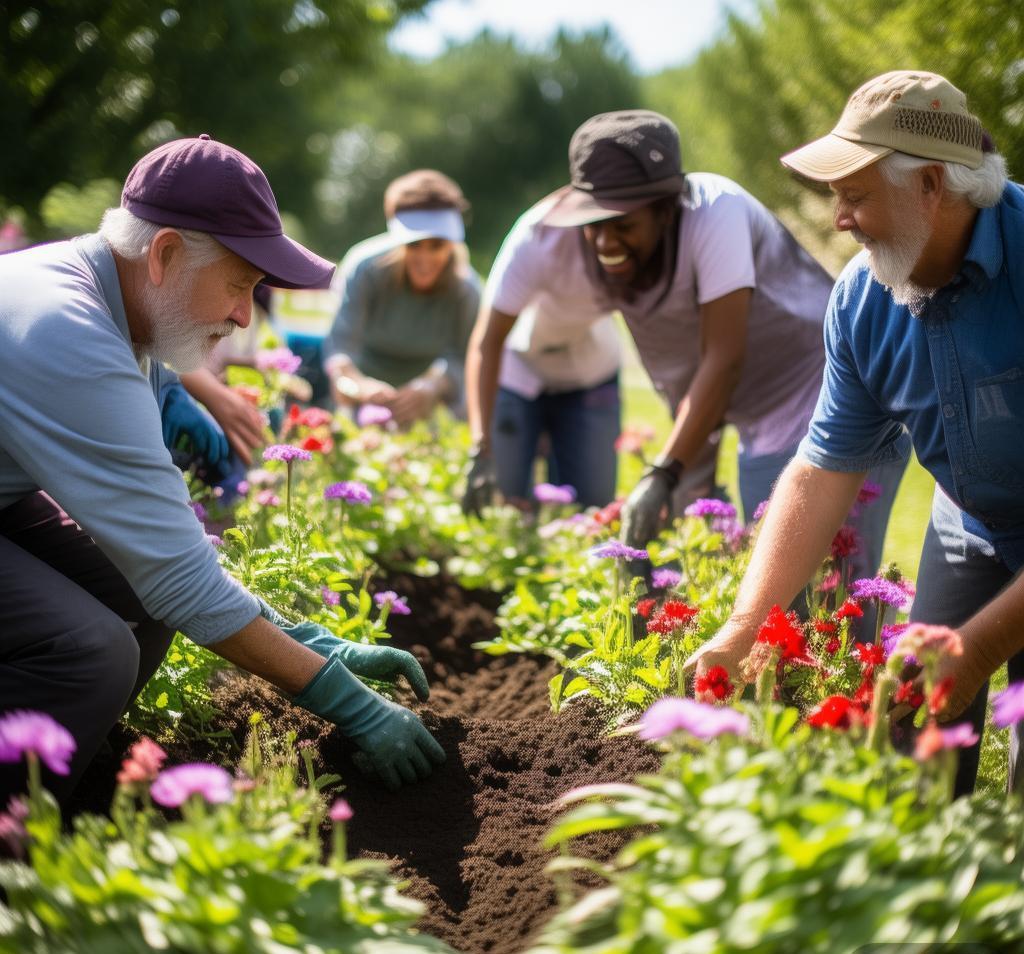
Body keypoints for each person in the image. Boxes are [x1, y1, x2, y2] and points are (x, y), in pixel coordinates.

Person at [0, 135, 445, 803]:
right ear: (165, 254)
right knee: (92, 650)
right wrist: (351, 703)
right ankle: (18, 831)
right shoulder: (72, 334)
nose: (243, 314)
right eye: (239, 283)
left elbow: (165, 566)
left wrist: (315, 641)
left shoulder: (106, 300)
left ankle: (68, 779)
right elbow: (181, 581)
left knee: (137, 604)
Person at [687, 70, 1023, 796]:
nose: (839, 219)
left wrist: (975, 651)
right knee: (914, 740)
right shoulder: (863, 299)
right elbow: (822, 471)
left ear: (931, 184)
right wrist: (744, 628)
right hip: (970, 519)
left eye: (855, 195)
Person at [464, 110, 905, 569]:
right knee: (728, 563)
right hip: (733, 409)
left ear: (666, 209)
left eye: (623, 225)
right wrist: (481, 446)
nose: (605, 243)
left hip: (822, 390)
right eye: (593, 223)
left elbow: (724, 358)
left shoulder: (715, 212)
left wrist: (663, 471)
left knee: (820, 579)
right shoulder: (544, 240)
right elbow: (487, 341)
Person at [323, 169, 481, 427]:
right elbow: (340, 347)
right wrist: (357, 385)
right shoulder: (365, 268)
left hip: (428, 406)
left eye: (437, 246)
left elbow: (466, 359)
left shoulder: (466, 289)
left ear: (452, 244)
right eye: (414, 245)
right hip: (362, 399)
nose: (425, 259)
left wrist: (433, 386)